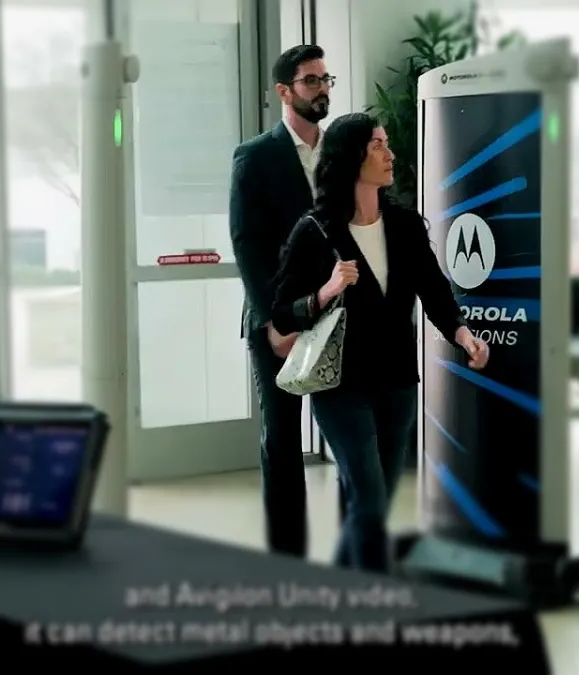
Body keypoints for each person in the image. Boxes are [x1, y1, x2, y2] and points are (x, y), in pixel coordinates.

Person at [269, 113, 490, 573]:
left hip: (397, 383)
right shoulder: (314, 231)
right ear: (352, 157)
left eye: (387, 143)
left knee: (372, 506)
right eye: (377, 146)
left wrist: (463, 334)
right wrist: (326, 291)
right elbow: (282, 312)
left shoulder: (406, 226)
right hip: (340, 388)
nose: (390, 155)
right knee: (368, 501)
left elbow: (434, 289)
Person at [229, 45, 334, 559]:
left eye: (325, 79)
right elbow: (247, 245)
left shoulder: (341, 152)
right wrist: (278, 319)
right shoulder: (256, 155)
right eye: (311, 81)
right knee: (284, 441)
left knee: (352, 431)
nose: (322, 89)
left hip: (339, 314)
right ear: (283, 92)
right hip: (279, 322)